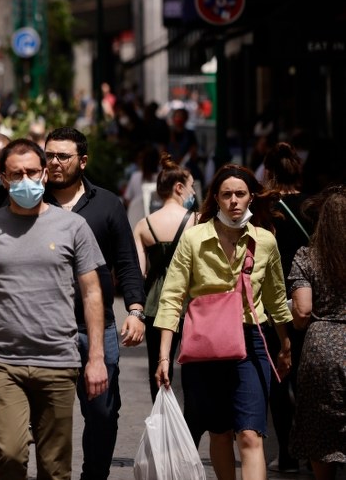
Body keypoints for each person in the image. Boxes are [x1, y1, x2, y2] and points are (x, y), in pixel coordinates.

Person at [0, 139, 108, 480]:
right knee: (8, 456)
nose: (25, 179)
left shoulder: (73, 226)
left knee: (55, 470)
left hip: (58, 362)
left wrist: (96, 357)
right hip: (3, 363)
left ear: (44, 174)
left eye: (31, 172)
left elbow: (92, 293)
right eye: (16, 174)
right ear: (2, 177)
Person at [154, 165, 293, 480]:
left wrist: (285, 344)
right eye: (226, 194)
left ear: (250, 198)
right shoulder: (193, 239)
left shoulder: (265, 242)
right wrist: (164, 356)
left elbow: (275, 297)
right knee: (219, 431)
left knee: (250, 434)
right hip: (207, 344)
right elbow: (172, 298)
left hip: (251, 342)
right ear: (215, 197)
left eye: (240, 194)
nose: (234, 201)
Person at [43, 127, 146, 480]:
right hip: (46, 329)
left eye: (62, 156)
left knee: (102, 412)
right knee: (46, 416)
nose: (54, 163)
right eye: (50, 155)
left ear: (82, 161)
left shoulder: (107, 204)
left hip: (97, 328)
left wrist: (135, 310)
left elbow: (127, 262)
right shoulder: (31, 202)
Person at [287, 185, 346, 480]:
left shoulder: (307, 257)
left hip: (321, 349)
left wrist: (296, 324)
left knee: (321, 437)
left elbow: (302, 311)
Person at [263, 141, 313, 472]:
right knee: (308, 382)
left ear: (268, 173)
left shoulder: (267, 208)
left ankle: (288, 454)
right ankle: (314, 453)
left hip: (275, 303)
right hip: (313, 301)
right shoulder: (314, 206)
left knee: (280, 378)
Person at [131, 154, 198, 402]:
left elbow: (138, 273)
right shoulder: (198, 221)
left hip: (155, 303)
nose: (193, 193)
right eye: (191, 187)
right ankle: (190, 421)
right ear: (179, 188)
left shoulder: (143, 225)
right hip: (191, 301)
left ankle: (162, 415)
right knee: (194, 366)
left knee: (158, 365)